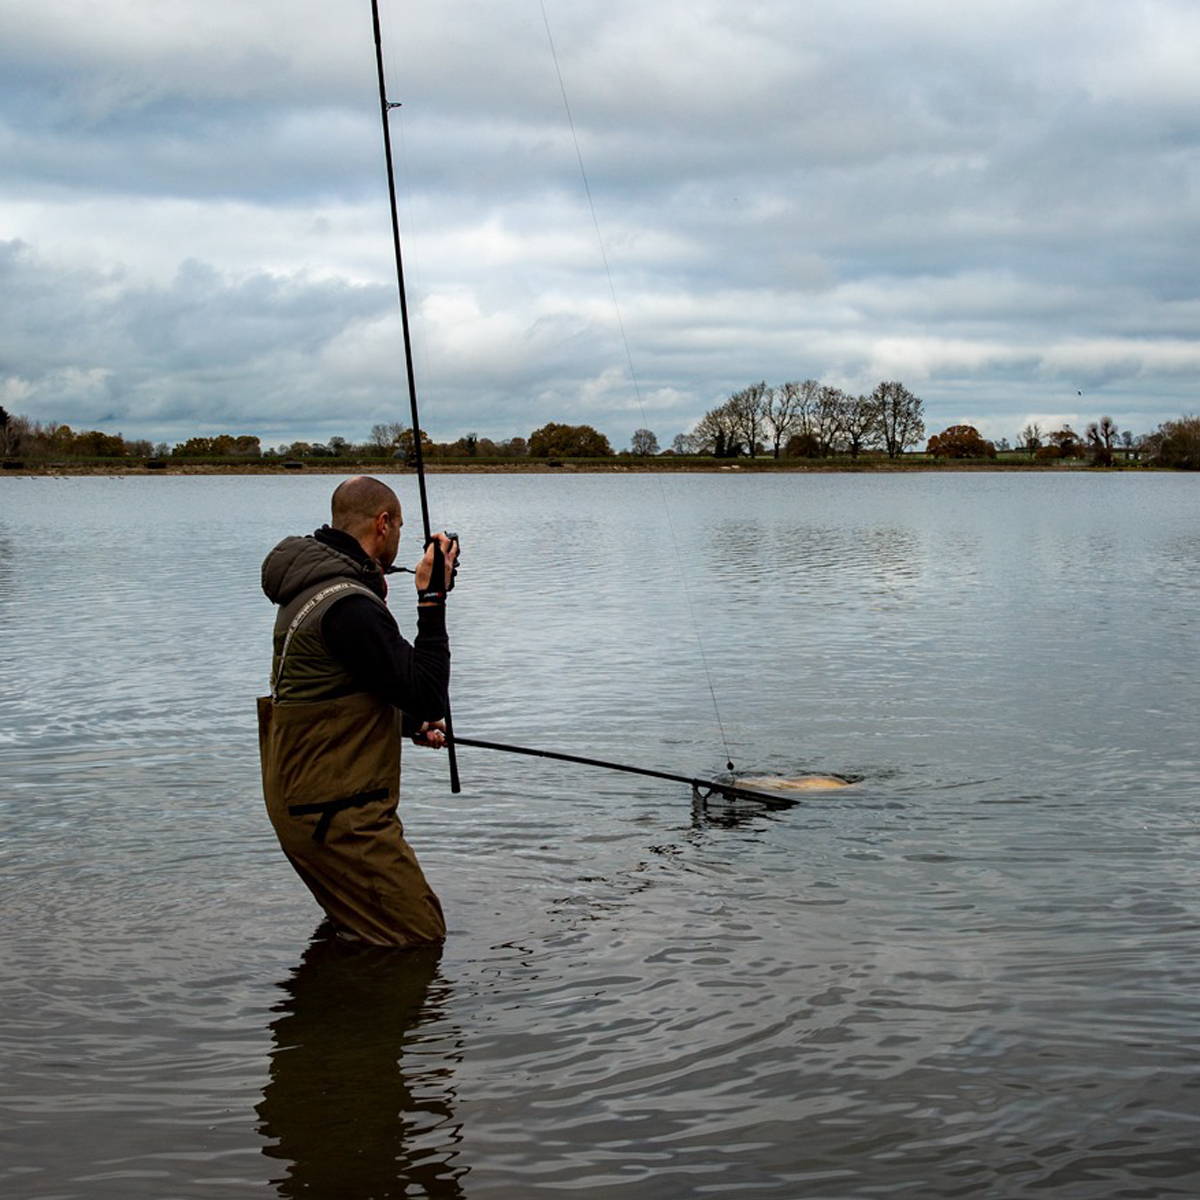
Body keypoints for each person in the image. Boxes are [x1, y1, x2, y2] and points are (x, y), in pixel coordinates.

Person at [257, 475, 459, 947]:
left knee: (367, 931)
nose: (402, 539)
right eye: (402, 528)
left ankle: (335, 1000)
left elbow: (335, 689)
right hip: (334, 813)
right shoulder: (348, 604)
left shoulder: (317, 587)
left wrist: (407, 722)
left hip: (308, 800)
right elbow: (428, 692)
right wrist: (432, 598)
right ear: (382, 524)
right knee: (418, 936)